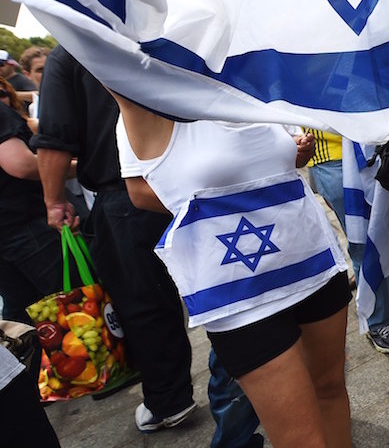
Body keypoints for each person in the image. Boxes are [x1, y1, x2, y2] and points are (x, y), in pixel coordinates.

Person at [114, 100, 352, 447]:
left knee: (330, 389)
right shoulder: (149, 108)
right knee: (301, 437)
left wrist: (296, 153)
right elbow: (141, 191)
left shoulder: (254, 87)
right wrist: (228, 203)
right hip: (237, 292)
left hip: (310, 261)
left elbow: (285, 156)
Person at [31, 47, 196, 432]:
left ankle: (168, 399)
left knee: (143, 300)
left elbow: (55, 138)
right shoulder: (147, 34)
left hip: (126, 194)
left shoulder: (69, 53)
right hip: (188, 179)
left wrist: (54, 200)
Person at [305, 128, 389, 354]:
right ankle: (377, 320)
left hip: (374, 146)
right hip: (334, 158)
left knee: (388, 230)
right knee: (362, 242)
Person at [0, 76, 69, 324]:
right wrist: (76, 167)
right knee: (73, 302)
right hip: (26, 225)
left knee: (23, 318)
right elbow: (21, 166)